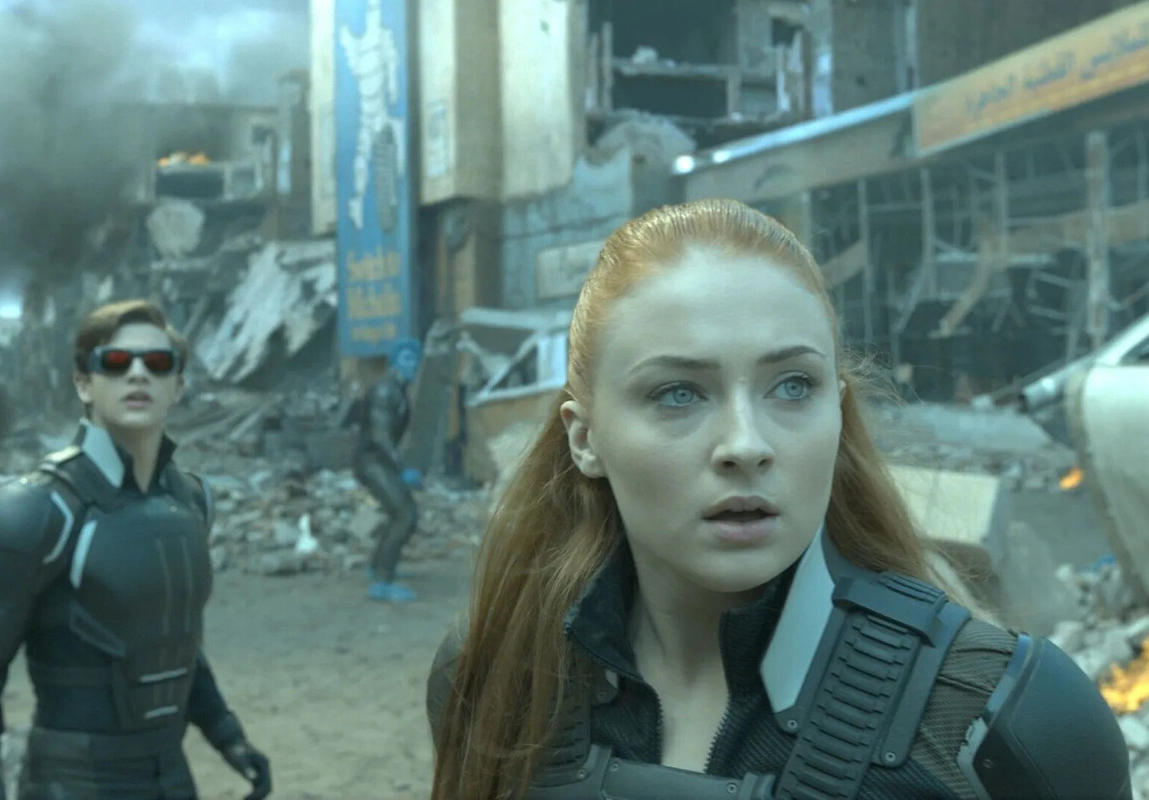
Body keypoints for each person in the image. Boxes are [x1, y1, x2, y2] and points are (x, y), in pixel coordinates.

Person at [425, 199, 1131, 799]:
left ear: (838, 410)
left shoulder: (1010, 724)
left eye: (793, 386)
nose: (746, 444)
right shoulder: (494, 676)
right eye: (678, 393)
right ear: (585, 439)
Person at [0, 299, 272, 800]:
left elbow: (168, 635)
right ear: (84, 383)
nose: (138, 374)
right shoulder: (34, 508)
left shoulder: (190, 500)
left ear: (177, 386)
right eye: (116, 362)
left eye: (158, 363)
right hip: (74, 779)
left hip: (170, 773)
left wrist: (226, 733)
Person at [343, 337, 423, 602]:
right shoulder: (386, 390)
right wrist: (401, 469)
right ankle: (382, 582)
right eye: (407, 359)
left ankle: (378, 566)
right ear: (395, 362)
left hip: (379, 461)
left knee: (401, 513)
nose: (413, 365)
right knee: (405, 515)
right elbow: (382, 437)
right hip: (372, 462)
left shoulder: (398, 389)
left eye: (415, 359)